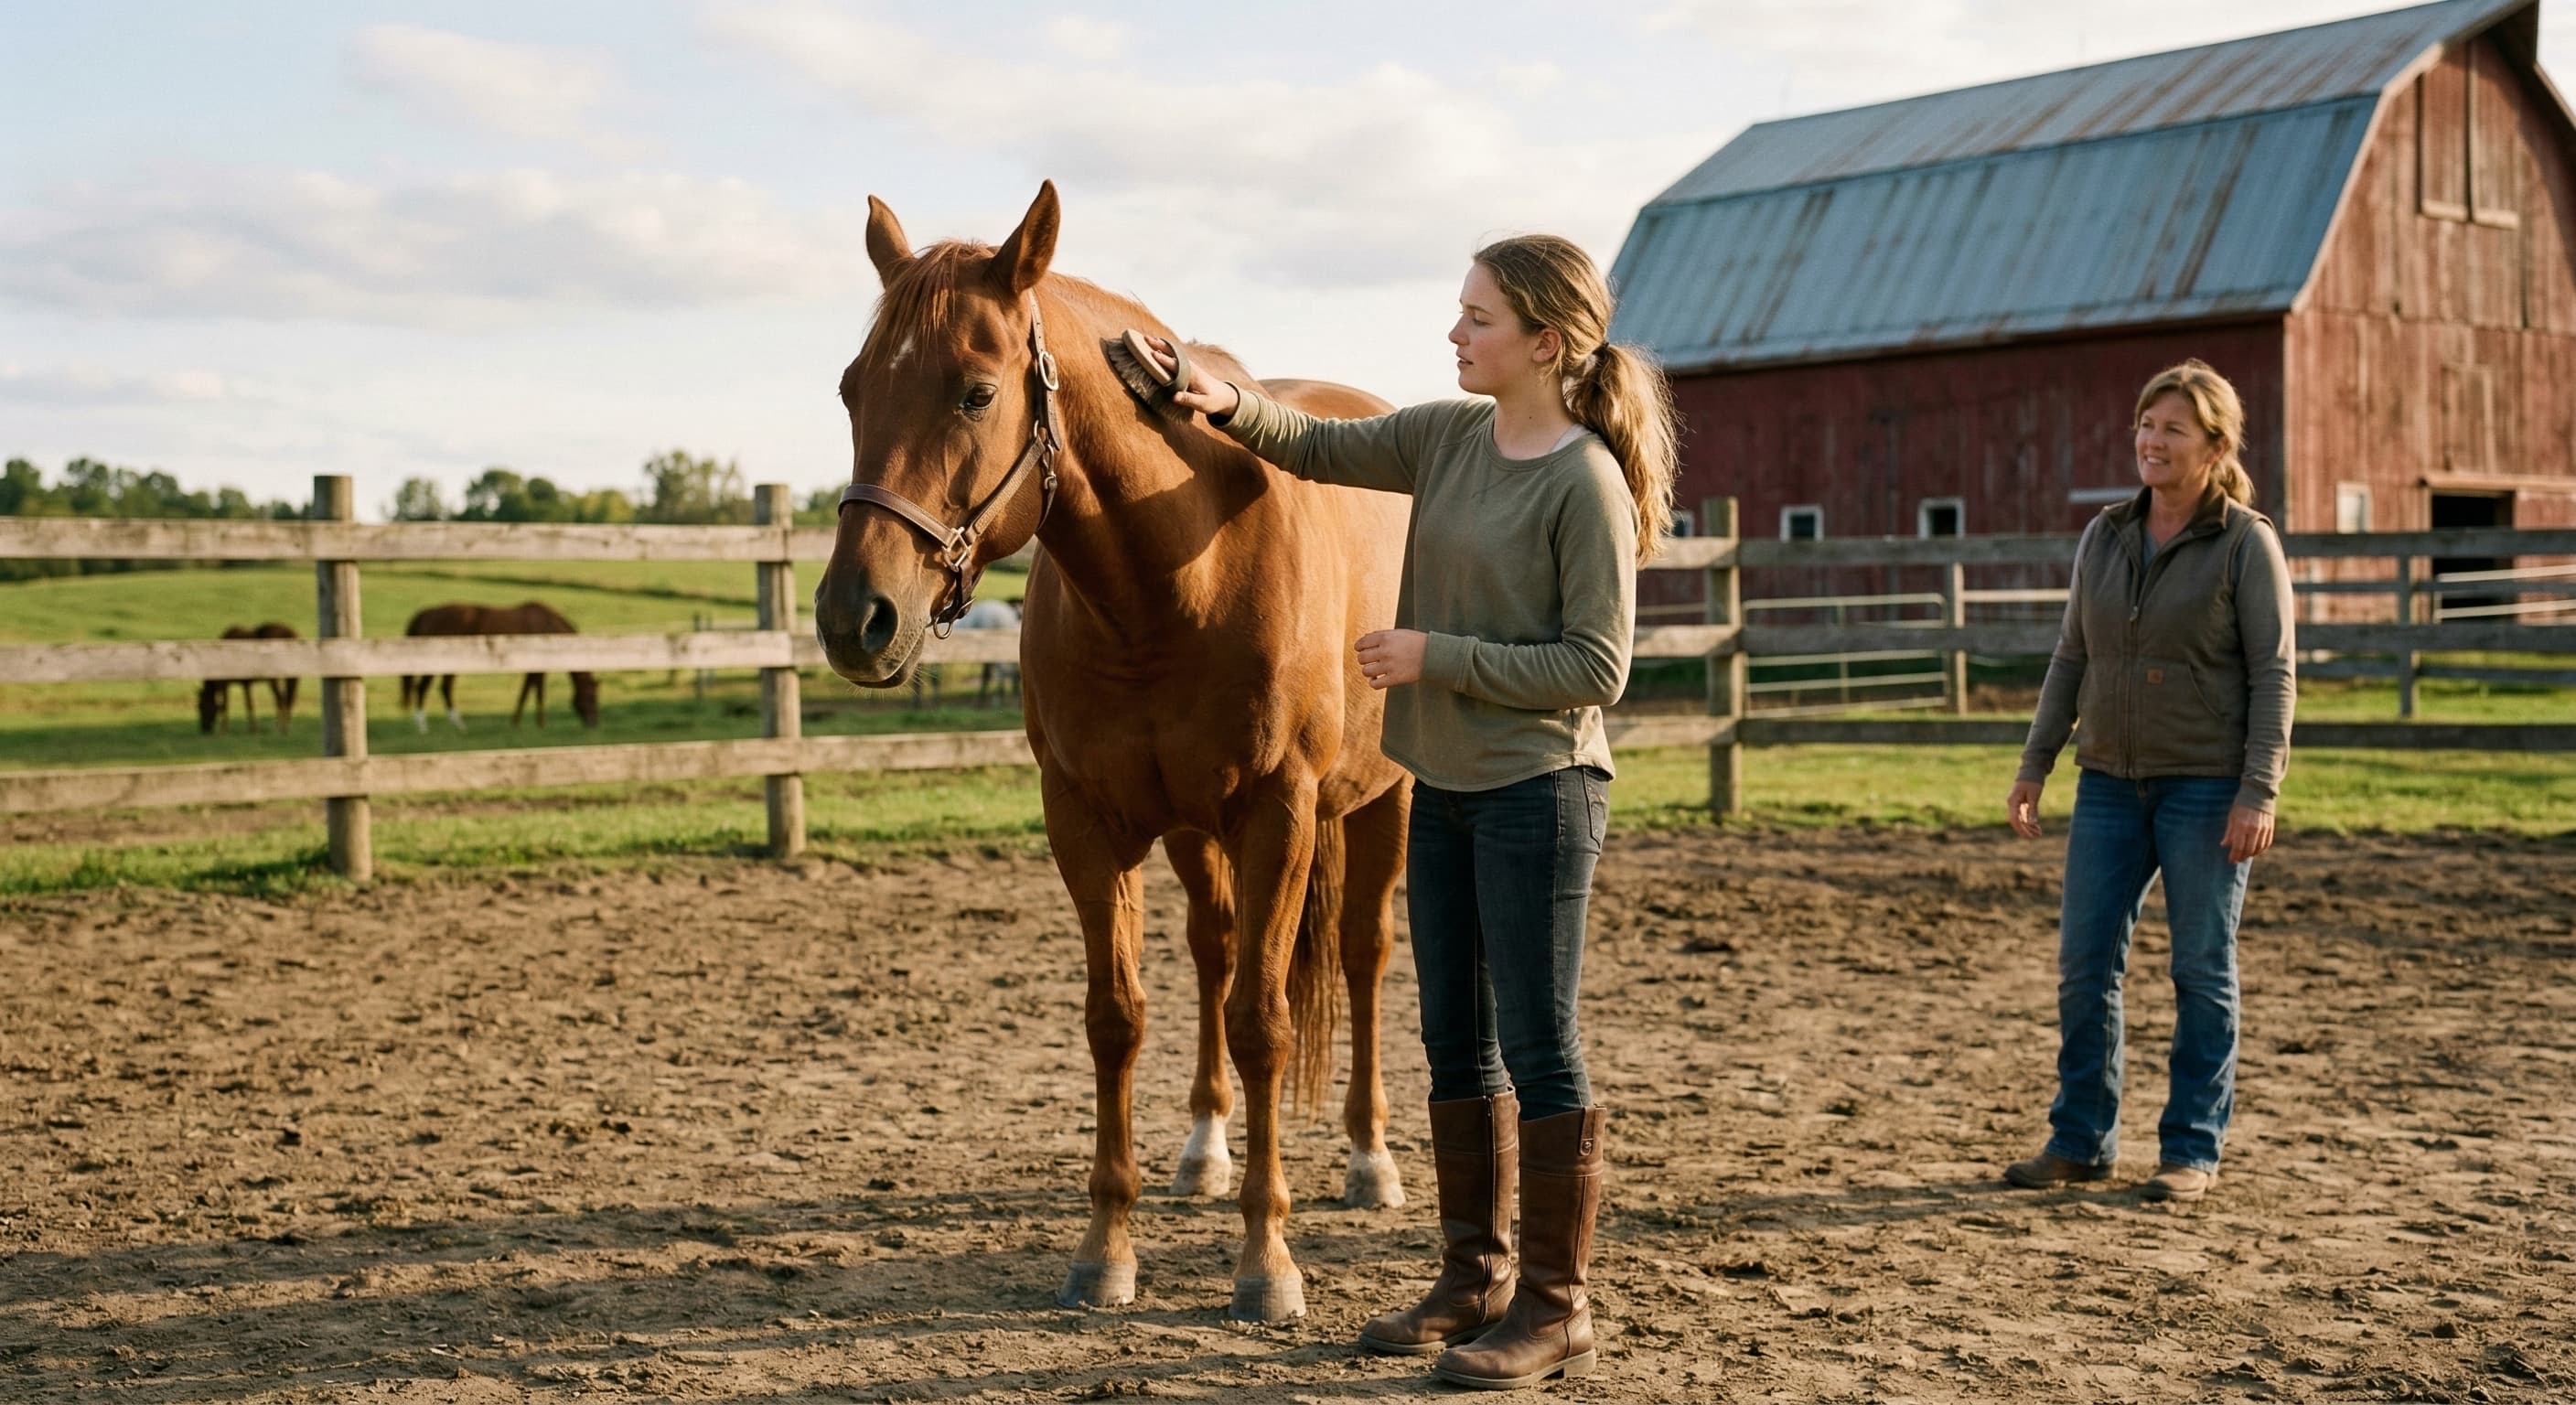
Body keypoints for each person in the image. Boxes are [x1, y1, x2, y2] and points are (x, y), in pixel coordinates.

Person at [1147, 234, 1675, 1389]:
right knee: (1455, 1040)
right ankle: (1470, 1277)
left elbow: (1598, 666)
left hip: (1539, 792)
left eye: (1476, 318)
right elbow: (1315, 442)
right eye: (1458, 312)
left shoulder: (1582, 478)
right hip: (1440, 788)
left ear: (1544, 342)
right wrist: (1216, 396)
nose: (1453, 333)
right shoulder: (1447, 436)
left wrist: (1438, 654)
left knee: (1539, 1048)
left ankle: (1553, 1303)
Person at [2004, 358, 2295, 1204]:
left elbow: (2275, 674)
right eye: (2145, 424)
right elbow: (2072, 656)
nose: (2151, 441)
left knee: (2201, 969)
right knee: (2083, 964)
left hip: (2206, 787)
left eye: (2172, 428)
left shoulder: (2246, 543)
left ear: (2214, 445)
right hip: (2108, 785)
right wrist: (2035, 763)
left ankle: (2191, 1151)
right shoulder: (2106, 536)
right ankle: (2080, 1139)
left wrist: (2259, 791)